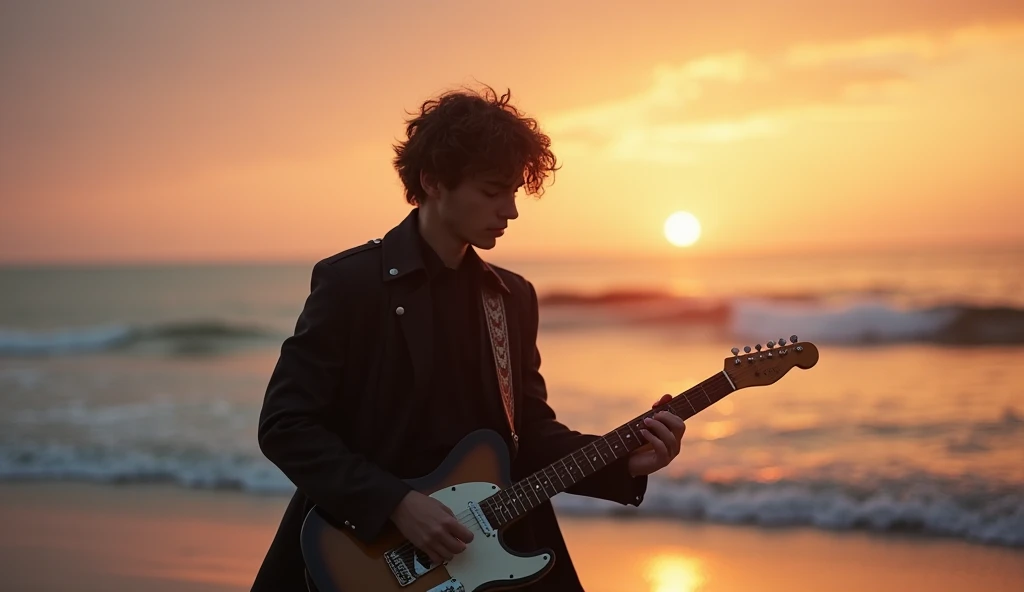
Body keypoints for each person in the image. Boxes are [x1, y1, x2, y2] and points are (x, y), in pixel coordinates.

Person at [252, 85, 686, 591]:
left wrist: (623, 461)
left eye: (514, 192)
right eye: (491, 191)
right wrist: (395, 503)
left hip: (482, 555)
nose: (511, 210)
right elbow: (286, 424)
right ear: (433, 181)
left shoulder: (512, 298)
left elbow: (527, 436)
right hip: (362, 557)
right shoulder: (351, 284)